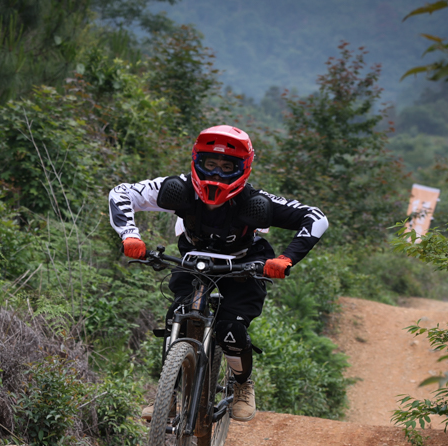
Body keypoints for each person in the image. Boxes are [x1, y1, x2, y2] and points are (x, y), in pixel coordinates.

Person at [108, 125, 329, 421]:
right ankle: (168, 396)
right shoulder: (180, 189)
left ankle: (241, 385)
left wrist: (286, 258)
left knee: (231, 329)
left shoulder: (255, 202)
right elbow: (123, 192)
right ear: (197, 161)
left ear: (243, 168)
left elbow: (315, 217)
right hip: (194, 258)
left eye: (227, 166)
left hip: (244, 264)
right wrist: (130, 235)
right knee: (178, 316)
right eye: (210, 163)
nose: (217, 172)